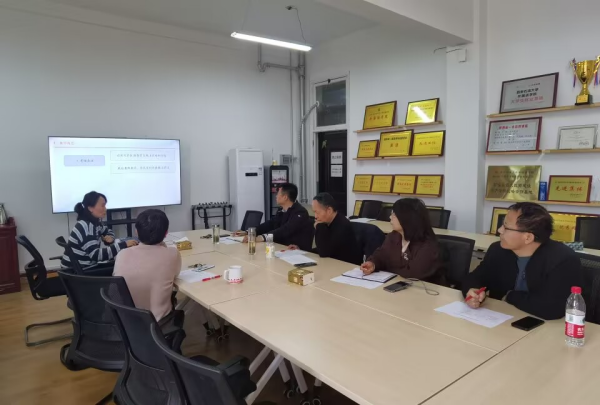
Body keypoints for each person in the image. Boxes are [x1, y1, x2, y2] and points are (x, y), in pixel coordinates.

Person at [462, 202, 582, 320]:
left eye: (506, 227)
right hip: (500, 318)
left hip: (544, 326)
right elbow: (474, 277)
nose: (499, 230)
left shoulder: (563, 260)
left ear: (528, 237)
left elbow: (551, 308)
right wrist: (472, 290)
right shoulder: (498, 250)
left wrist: (509, 295)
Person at [113, 209, 181, 322]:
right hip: (158, 323)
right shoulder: (172, 254)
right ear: (166, 233)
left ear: (136, 232)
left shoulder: (122, 254)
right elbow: (176, 275)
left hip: (125, 322)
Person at [360, 198, 445, 284]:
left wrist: (388, 268)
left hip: (422, 289)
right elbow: (382, 255)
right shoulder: (394, 236)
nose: (390, 217)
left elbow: (412, 274)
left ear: (407, 218)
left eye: (394, 214)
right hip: (396, 285)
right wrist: (373, 263)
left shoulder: (428, 245)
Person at [61, 191, 137, 268]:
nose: (105, 209)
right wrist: (123, 245)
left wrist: (110, 237)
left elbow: (108, 231)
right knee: (121, 266)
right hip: (79, 270)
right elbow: (96, 255)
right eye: (102, 205)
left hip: (82, 266)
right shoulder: (86, 227)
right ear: (90, 208)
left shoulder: (94, 223)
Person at [289, 193, 362, 265]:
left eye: (317, 212)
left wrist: (319, 227)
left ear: (329, 210)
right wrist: (302, 251)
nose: (315, 216)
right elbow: (322, 247)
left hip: (346, 266)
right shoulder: (327, 222)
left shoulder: (342, 225)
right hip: (332, 263)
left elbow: (324, 252)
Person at [240, 183, 314, 251]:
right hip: (281, 248)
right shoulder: (281, 210)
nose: (276, 196)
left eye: (278, 194)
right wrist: (249, 232)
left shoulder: (300, 212)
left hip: (296, 251)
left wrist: (262, 237)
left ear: (285, 197)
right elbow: (270, 224)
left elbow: (285, 230)